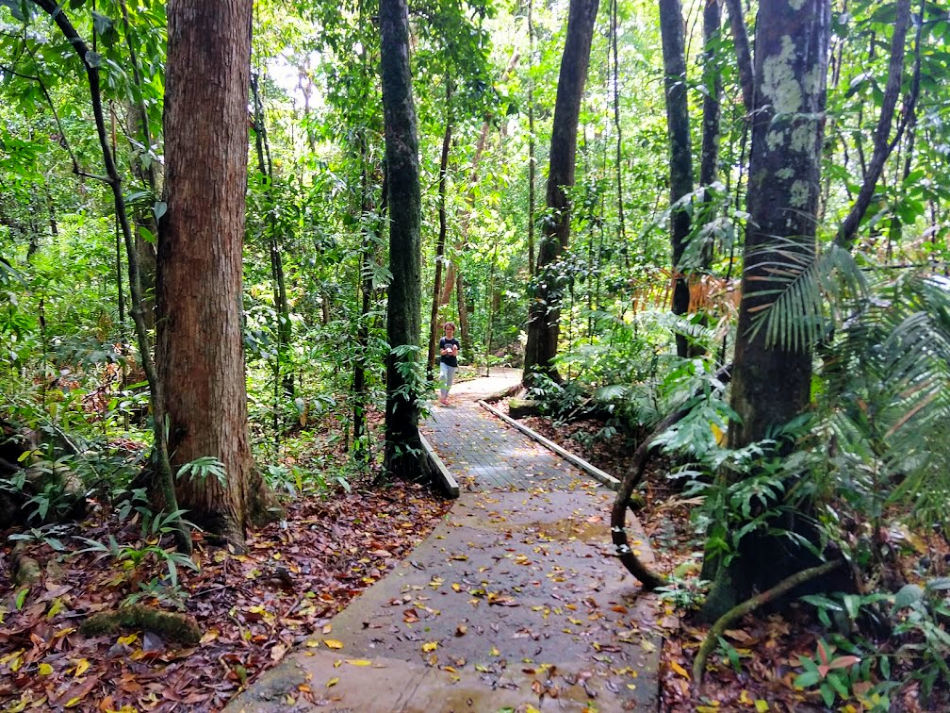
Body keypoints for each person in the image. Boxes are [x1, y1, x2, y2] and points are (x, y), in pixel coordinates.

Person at [438, 322, 460, 405]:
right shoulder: (442, 340)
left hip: (452, 364)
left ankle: (445, 398)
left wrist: (454, 349)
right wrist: (446, 350)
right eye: (447, 329)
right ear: (445, 330)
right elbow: (441, 352)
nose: (449, 331)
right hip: (444, 362)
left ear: (453, 330)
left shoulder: (455, 341)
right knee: (442, 376)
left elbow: (455, 354)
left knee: (449, 382)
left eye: (450, 329)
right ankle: (442, 396)